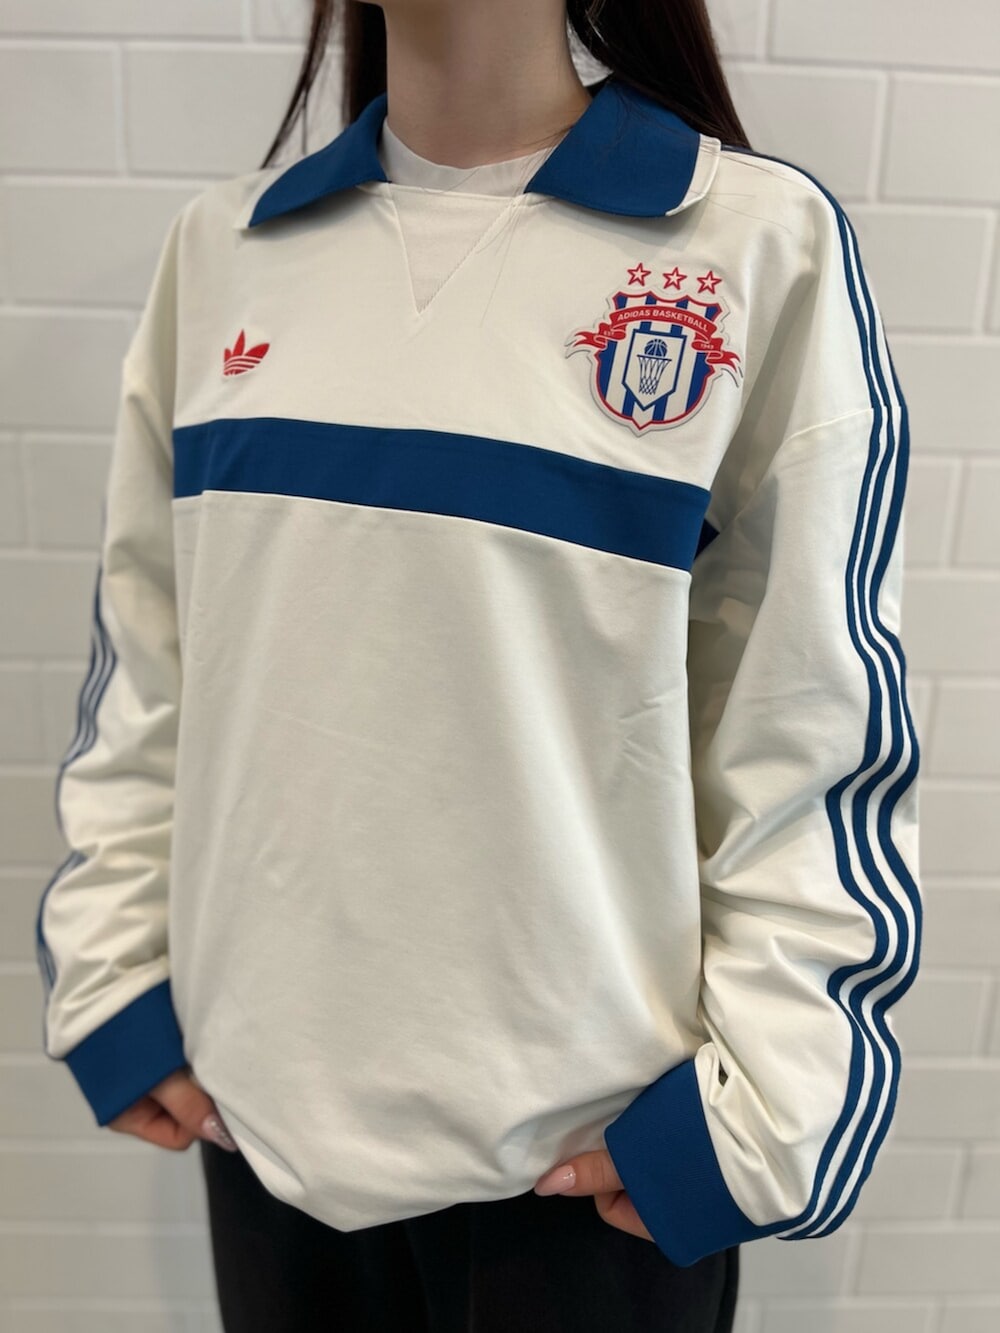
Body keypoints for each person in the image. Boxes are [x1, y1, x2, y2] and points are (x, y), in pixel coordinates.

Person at [34, 1, 922, 1330]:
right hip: (261, 1138)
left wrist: (766, 1119)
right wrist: (112, 974)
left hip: (587, 1182)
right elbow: (152, 663)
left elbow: (809, 726)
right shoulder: (227, 250)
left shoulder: (749, 245)